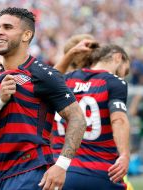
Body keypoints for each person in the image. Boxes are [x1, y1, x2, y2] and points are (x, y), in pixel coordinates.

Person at [0, 7, 87, 190]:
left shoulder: (43, 73)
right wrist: (0, 100)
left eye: (7, 27)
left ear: (26, 35)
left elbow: (77, 118)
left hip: (33, 170)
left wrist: (62, 165)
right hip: (1, 173)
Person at [52, 44, 131, 189]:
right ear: (118, 57)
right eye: (124, 70)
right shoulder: (114, 82)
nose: (122, 75)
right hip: (100, 173)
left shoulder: (66, 79)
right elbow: (118, 119)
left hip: (58, 171)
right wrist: (124, 155)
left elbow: (47, 80)